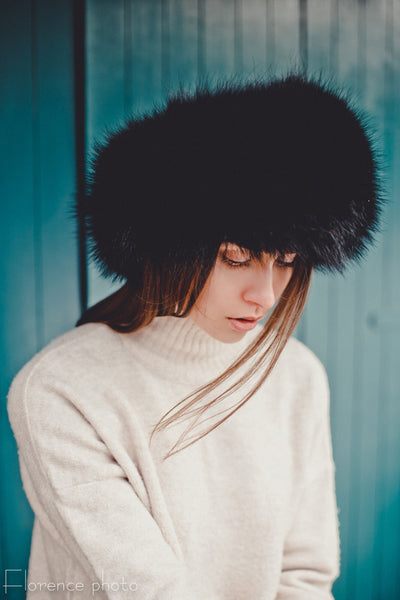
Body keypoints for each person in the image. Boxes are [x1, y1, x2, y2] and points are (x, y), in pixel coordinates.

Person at [7, 73, 383, 599]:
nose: (267, 294)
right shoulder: (62, 389)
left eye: (288, 260)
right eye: (236, 257)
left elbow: (304, 576)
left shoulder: (297, 378)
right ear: (167, 245)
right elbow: (144, 589)